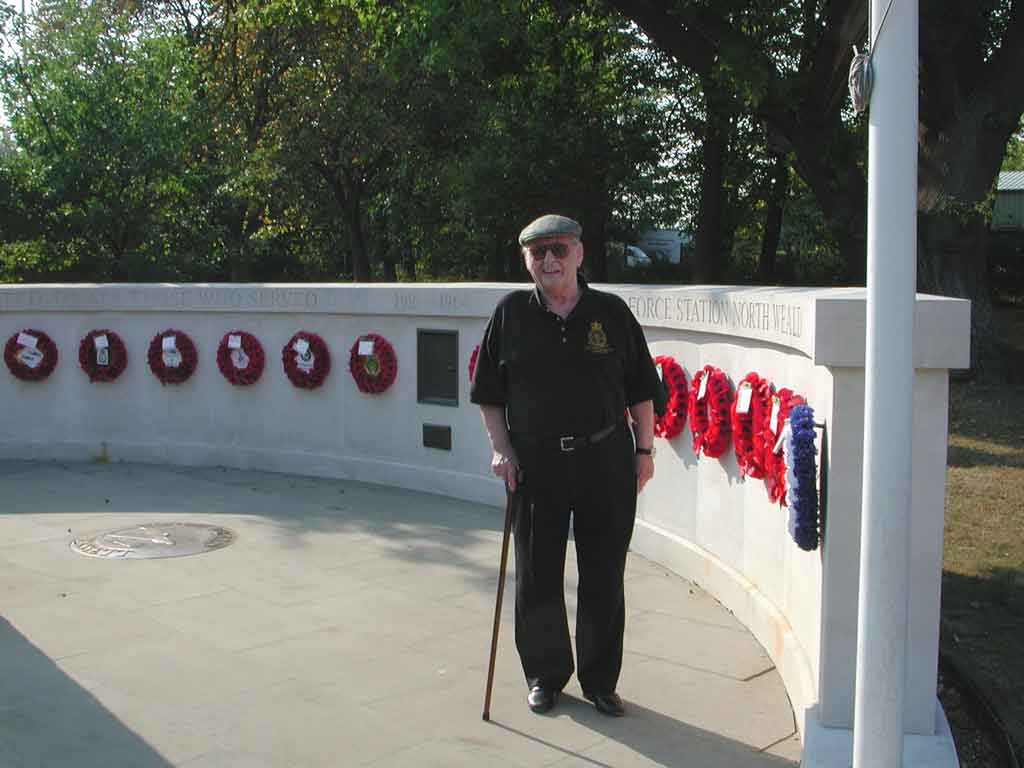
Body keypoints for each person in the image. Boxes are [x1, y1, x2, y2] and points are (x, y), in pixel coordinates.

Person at [470, 214, 663, 717]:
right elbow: (489, 394)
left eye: (559, 249)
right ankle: (546, 675)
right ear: (526, 261)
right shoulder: (510, 314)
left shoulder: (612, 313)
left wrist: (644, 452)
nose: (550, 260)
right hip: (535, 462)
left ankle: (601, 681)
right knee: (537, 574)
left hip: (606, 459)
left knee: (604, 572)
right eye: (539, 253)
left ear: (579, 252)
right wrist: (501, 448)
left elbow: (641, 390)